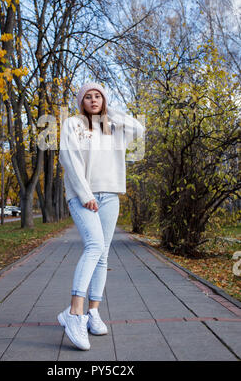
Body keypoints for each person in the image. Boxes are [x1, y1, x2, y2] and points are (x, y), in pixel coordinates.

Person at [57, 82, 144, 350]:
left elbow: (140, 130)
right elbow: (68, 159)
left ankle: (93, 312)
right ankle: (74, 314)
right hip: (83, 195)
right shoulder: (73, 124)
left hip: (110, 195)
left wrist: (109, 110)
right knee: (94, 246)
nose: (93, 100)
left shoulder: (113, 127)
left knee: (104, 253)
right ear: (80, 102)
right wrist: (85, 195)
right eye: (88, 97)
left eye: (98, 96)